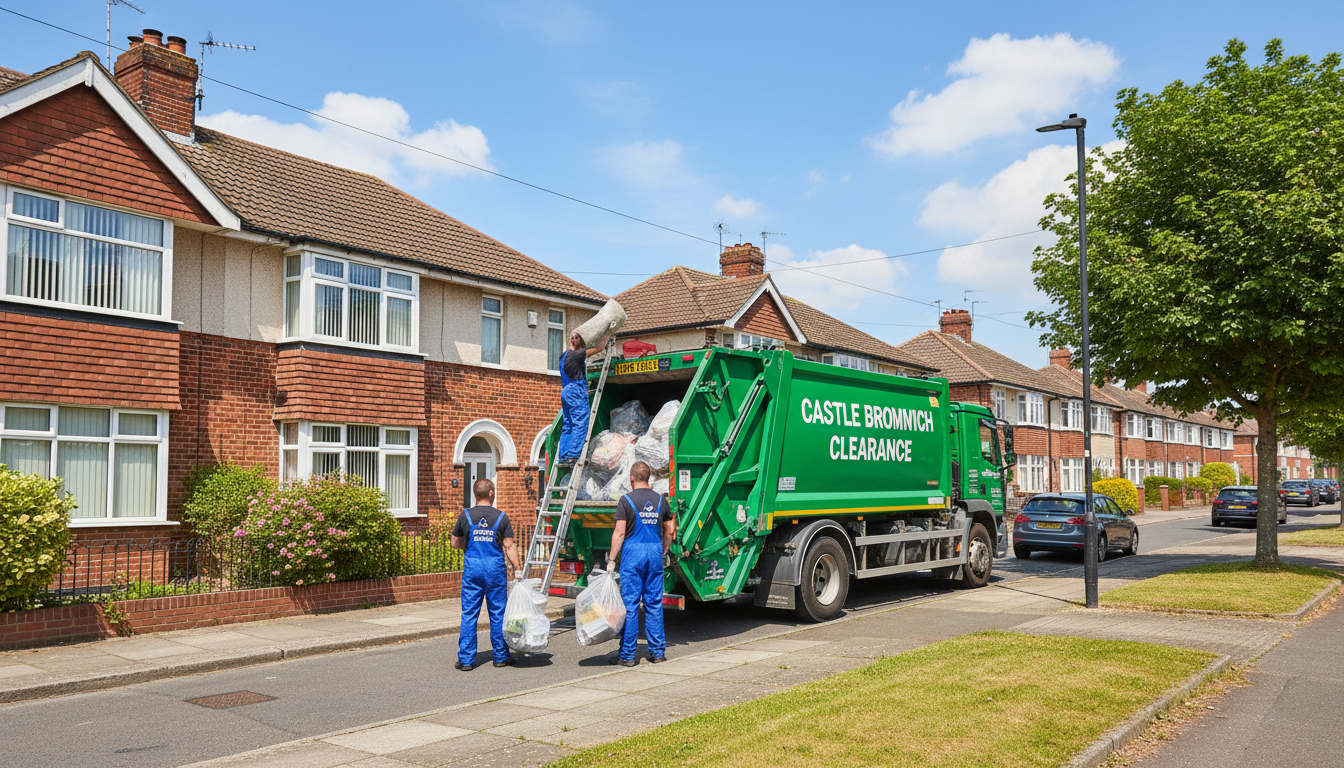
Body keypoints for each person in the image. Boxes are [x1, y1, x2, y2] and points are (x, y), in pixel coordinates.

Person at [608, 461, 676, 666]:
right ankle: (657, 653)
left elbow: (620, 533)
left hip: (633, 555)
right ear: (649, 478)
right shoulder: (661, 500)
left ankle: (628, 656)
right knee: (654, 604)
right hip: (654, 553)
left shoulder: (626, 500)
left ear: (631, 479)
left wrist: (611, 559)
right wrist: (664, 550)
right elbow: (670, 530)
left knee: (630, 605)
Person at [451, 478, 521, 671]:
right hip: (494, 570)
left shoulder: (465, 516)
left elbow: (455, 542)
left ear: (475, 494)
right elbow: (509, 546)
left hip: (473, 568)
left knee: (469, 614)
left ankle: (466, 660)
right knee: (497, 614)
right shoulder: (501, 517)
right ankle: (500, 657)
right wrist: (518, 569)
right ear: (491, 493)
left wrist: (470, 544)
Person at [556, 329, 610, 464]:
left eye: (576, 338)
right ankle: (573, 455)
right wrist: (608, 332)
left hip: (566, 391)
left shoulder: (563, 356)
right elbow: (600, 348)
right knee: (580, 422)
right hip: (576, 390)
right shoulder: (577, 354)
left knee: (568, 424)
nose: (574, 340)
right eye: (573, 337)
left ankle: (563, 455)